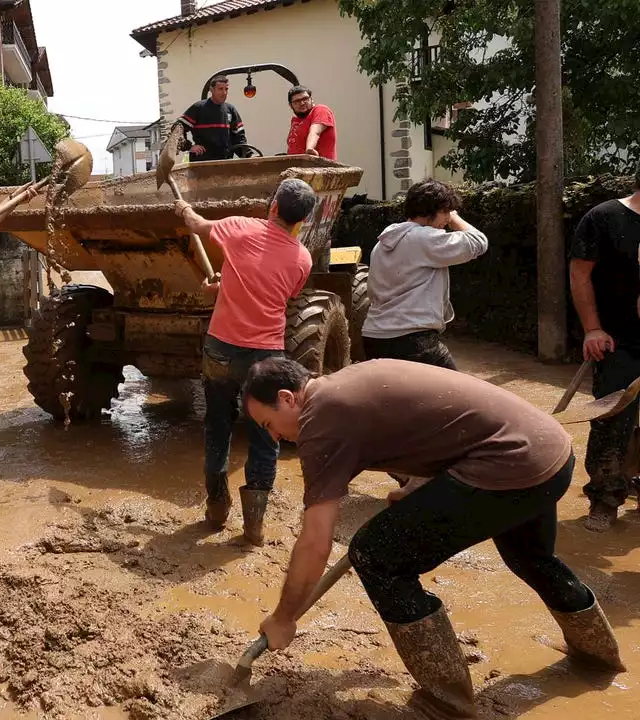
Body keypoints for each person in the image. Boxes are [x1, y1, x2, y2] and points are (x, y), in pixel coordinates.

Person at [243, 357, 625, 718]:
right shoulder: (349, 380)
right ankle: (598, 656)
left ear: (287, 398)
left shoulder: (321, 420)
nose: (275, 438)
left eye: (268, 425)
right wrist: (417, 485)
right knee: (530, 556)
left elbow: (315, 539)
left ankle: (446, 704)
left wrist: (284, 617)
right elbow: (439, 423)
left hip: (510, 463)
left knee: (375, 555)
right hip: (550, 454)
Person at [173, 178, 316, 545]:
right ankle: (254, 525)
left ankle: (216, 509)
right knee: (265, 436)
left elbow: (197, 226)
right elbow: (278, 292)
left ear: (273, 207)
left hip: (222, 348)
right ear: (302, 220)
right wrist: (227, 286)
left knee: (217, 427)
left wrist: (183, 208)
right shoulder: (302, 258)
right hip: (266, 357)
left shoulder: (239, 227)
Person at [569, 171, 640, 532]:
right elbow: (580, 274)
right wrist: (592, 328)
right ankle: (605, 498)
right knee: (613, 419)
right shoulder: (605, 218)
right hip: (619, 340)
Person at [361, 179, 488, 370]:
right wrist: (455, 219)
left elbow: (372, 291)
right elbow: (478, 242)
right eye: (445, 211)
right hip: (412, 340)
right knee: (452, 395)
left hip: (374, 337)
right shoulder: (424, 238)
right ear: (431, 210)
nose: (446, 219)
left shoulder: (382, 243)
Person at [177, 75, 249, 162]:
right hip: (202, 165)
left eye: (226, 89)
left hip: (226, 164)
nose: (224, 93)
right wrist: (189, 147)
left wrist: (249, 155)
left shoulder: (230, 110)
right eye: (220, 89)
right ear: (212, 90)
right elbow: (177, 128)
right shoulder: (198, 108)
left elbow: (239, 138)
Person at [285, 86, 338, 160]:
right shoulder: (295, 120)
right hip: (297, 166)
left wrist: (310, 149)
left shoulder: (320, 110)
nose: (302, 103)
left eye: (305, 99)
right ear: (291, 105)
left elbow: (315, 132)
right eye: (297, 101)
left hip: (319, 167)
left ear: (311, 100)